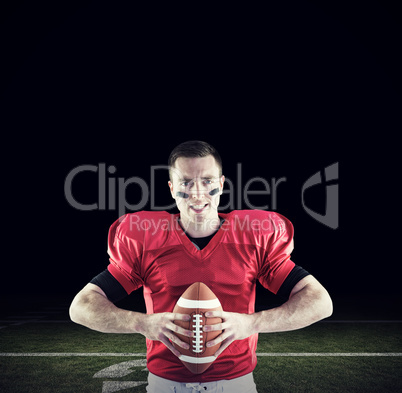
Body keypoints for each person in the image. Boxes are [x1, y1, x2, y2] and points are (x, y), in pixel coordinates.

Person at [69, 140, 333, 392]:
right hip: (164, 384)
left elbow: (320, 302)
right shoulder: (146, 240)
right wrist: (141, 323)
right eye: (186, 182)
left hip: (236, 384)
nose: (197, 193)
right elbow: (81, 307)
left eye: (207, 181)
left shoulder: (251, 237)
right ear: (172, 188)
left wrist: (251, 323)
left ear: (221, 184)